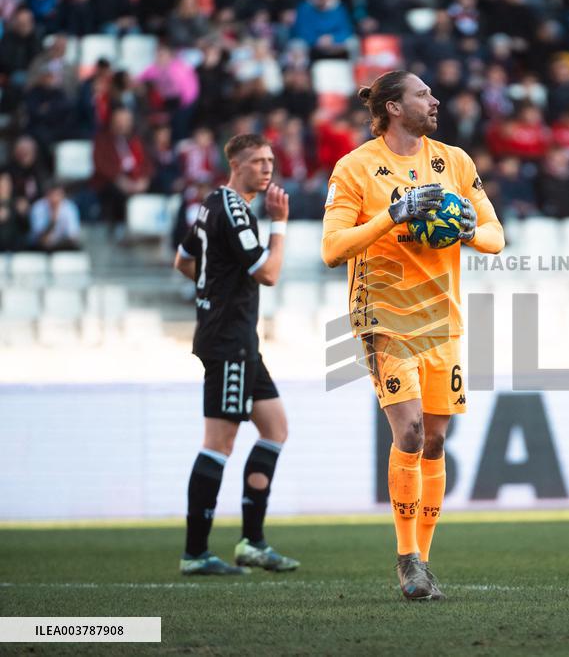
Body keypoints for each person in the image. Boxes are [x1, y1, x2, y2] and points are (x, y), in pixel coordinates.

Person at [321, 70, 504, 600]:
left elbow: (495, 235)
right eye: (423, 94)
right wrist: (394, 213)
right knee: (410, 433)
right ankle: (408, 561)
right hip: (382, 315)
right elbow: (333, 249)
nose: (435, 100)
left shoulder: (455, 161)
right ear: (394, 108)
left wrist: (468, 231)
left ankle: (424, 560)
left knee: (437, 439)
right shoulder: (355, 167)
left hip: (441, 319)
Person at [173, 134, 299, 576]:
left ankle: (252, 542)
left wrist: (215, 287)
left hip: (240, 340)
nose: (267, 169)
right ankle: (195, 553)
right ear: (236, 165)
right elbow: (268, 273)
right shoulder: (234, 209)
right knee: (219, 443)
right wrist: (280, 224)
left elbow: (183, 261)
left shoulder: (210, 204)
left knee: (275, 428)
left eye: (270, 160)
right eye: (258, 161)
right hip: (228, 341)